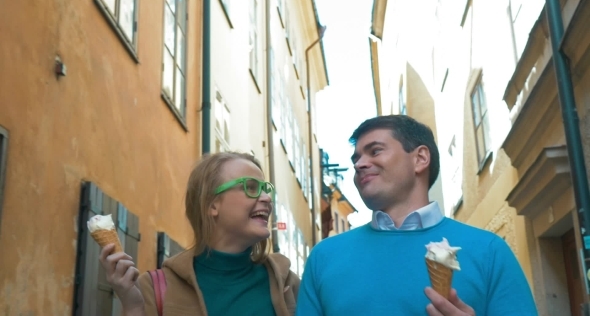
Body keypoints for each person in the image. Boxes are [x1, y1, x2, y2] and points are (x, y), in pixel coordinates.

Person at [296, 115, 537, 316]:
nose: (359, 164)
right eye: (356, 158)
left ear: (420, 158)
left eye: (375, 151)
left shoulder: (490, 251)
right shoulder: (323, 257)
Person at [100, 152, 300, 316]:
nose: (266, 198)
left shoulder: (287, 284)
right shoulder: (154, 288)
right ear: (212, 205)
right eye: (251, 187)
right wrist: (133, 308)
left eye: (266, 189)